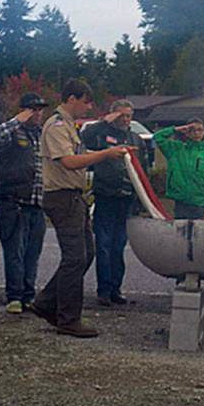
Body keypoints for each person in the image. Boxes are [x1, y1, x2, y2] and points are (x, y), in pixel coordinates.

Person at [27, 79, 133, 338]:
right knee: (75, 258)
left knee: (86, 254)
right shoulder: (57, 126)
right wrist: (105, 154)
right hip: (62, 197)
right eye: (85, 102)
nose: (88, 107)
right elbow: (69, 161)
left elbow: (82, 151)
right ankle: (68, 319)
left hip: (74, 196)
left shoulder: (70, 127)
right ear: (72, 99)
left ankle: (46, 303)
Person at [0, 93, 49, 314]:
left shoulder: (43, 134)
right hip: (13, 202)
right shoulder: (11, 132)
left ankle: (29, 295)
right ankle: (15, 297)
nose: (37, 114)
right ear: (23, 110)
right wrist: (16, 120)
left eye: (40, 110)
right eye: (33, 109)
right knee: (14, 253)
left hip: (37, 202)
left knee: (33, 254)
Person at [83, 99, 145, 307]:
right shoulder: (101, 133)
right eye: (121, 115)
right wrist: (105, 121)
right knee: (104, 245)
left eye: (128, 116)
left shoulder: (136, 139)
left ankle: (115, 289)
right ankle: (104, 290)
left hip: (126, 198)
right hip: (106, 196)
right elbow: (84, 138)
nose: (125, 120)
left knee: (119, 246)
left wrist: (141, 200)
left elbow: (142, 170)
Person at [153, 118, 204, 219]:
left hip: (200, 205)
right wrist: (175, 129)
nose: (196, 133)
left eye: (199, 130)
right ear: (187, 132)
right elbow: (158, 137)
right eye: (192, 130)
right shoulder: (176, 150)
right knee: (180, 228)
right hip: (181, 203)